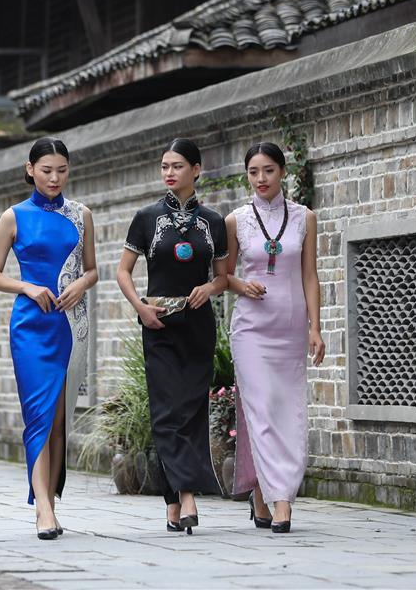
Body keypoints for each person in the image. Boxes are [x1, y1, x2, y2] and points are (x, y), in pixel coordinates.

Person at [0, 137, 97, 540]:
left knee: (59, 418)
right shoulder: (13, 217)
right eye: (47, 170)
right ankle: (43, 510)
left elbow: (93, 270)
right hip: (30, 326)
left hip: (69, 323)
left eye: (62, 170)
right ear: (30, 169)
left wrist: (82, 285)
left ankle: (50, 496)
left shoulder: (80, 214)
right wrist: (28, 288)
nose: (55, 177)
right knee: (39, 416)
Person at [117, 138, 228, 534]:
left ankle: (173, 504)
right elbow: (123, 272)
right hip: (158, 325)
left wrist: (211, 289)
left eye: (177, 165)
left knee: (191, 412)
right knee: (166, 414)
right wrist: (140, 308)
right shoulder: (146, 218)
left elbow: (222, 276)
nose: (169, 172)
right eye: (164, 165)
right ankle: (186, 497)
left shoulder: (213, 222)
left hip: (197, 326)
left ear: (196, 170)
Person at [225, 142, 325, 533]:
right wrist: (240, 285)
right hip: (250, 328)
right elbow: (223, 275)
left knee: (288, 410)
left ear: (282, 172)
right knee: (262, 409)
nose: (261, 179)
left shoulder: (305, 218)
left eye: (268, 170)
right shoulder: (236, 220)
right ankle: (281, 499)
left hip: (290, 326)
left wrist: (315, 327)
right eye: (253, 172)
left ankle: (263, 494)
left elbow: (310, 276)